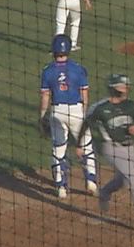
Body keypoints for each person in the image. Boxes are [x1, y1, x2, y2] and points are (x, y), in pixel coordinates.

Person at [83, 73, 134, 227]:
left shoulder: (130, 106)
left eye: (126, 86)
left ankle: (104, 192)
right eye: (122, 86)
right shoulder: (100, 108)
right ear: (113, 88)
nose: (125, 89)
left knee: (123, 180)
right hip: (111, 149)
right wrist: (80, 145)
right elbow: (85, 125)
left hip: (130, 148)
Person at [39, 34, 98, 199]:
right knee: (87, 146)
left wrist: (43, 116)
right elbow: (84, 95)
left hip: (57, 112)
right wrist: (84, 114)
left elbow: (45, 97)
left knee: (58, 149)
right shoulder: (79, 69)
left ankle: (61, 188)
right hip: (76, 111)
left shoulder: (47, 71)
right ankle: (91, 182)